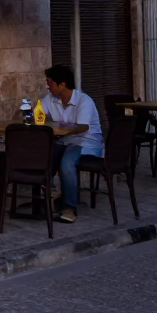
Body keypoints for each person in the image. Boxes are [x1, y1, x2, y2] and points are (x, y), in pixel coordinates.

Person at [40, 64, 103, 224]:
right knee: (43, 157)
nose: (48, 86)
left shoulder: (84, 101)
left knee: (67, 163)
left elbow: (82, 127)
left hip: (86, 142)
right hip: (64, 141)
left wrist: (59, 128)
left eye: (50, 83)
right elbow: (38, 114)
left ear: (62, 84)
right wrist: (27, 112)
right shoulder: (50, 99)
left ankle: (69, 208)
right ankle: (46, 198)